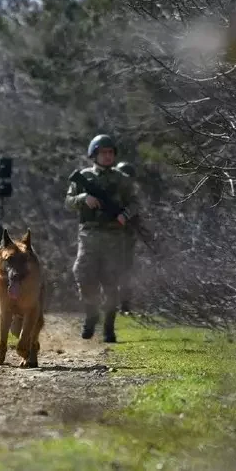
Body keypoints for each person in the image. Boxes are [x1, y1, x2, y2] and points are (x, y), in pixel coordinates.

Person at [64, 134, 139, 343]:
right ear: (94, 155)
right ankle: (91, 314)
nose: (107, 156)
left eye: (110, 153)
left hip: (114, 236)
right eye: (103, 153)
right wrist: (83, 198)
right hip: (89, 234)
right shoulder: (84, 177)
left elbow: (134, 203)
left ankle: (108, 327)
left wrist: (125, 215)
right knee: (83, 274)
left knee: (111, 283)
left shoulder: (122, 180)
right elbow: (68, 202)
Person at [115, 161, 138, 315]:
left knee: (125, 273)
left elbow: (135, 210)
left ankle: (124, 306)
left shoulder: (131, 197)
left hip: (125, 239)